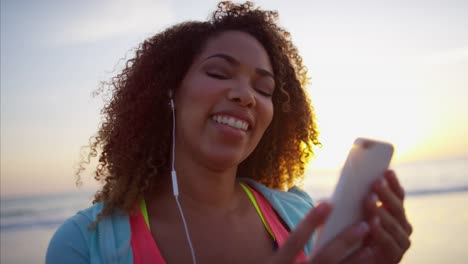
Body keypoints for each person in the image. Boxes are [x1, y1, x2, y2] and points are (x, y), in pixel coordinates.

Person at [46, 1, 412, 263]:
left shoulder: (300, 215)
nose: (246, 96)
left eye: (264, 90)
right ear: (169, 93)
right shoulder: (85, 245)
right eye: (219, 73)